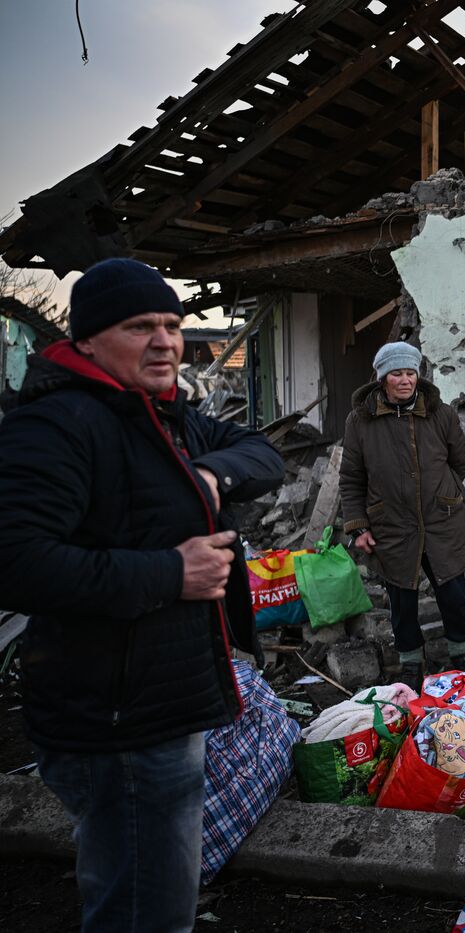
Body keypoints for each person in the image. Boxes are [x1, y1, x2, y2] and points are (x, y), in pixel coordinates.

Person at [0, 258, 283, 932]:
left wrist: (209, 476)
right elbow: (16, 564)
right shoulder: (57, 426)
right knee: (140, 915)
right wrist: (170, 573)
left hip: (161, 705)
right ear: (87, 340)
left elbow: (261, 454)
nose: (164, 342)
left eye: (171, 325)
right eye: (139, 326)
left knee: (158, 903)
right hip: (117, 720)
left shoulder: (163, 418)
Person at [340, 341, 465, 685]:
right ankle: (410, 662)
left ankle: (461, 654)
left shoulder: (440, 414)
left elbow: (460, 459)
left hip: (442, 520)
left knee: (453, 593)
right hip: (391, 523)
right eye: (396, 374)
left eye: (410, 373)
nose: (405, 380)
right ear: (381, 378)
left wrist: (443, 492)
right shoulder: (361, 420)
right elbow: (351, 477)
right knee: (402, 599)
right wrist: (359, 526)